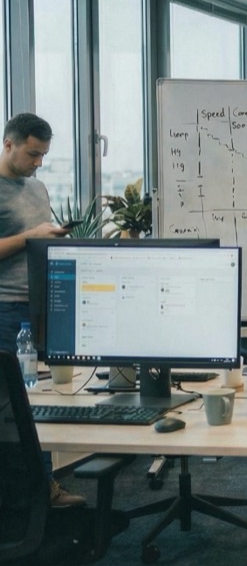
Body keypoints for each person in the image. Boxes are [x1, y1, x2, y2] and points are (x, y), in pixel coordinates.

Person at [0, 112, 86, 508]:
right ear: (9, 144)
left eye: (43, 156)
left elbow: (37, 239)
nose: (38, 164)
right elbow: (20, 242)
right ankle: (33, 494)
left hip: (43, 305)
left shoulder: (38, 189)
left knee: (44, 399)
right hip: (6, 309)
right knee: (13, 408)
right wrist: (30, 237)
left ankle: (42, 488)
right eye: (32, 154)